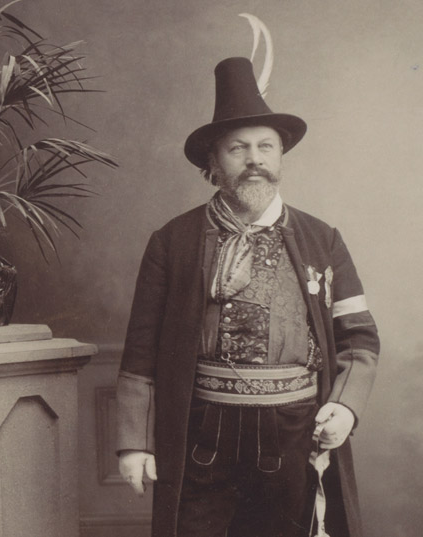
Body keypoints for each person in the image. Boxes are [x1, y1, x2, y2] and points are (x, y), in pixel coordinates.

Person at [116, 55, 380, 537]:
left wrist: (345, 406)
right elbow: (141, 350)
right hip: (203, 429)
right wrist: (135, 441)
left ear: (280, 157)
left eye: (266, 147)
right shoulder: (173, 242)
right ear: (213, 162)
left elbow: (359, 339)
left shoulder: (322, 239)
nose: (254, 159)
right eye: (238, 148)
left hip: (295, 428)